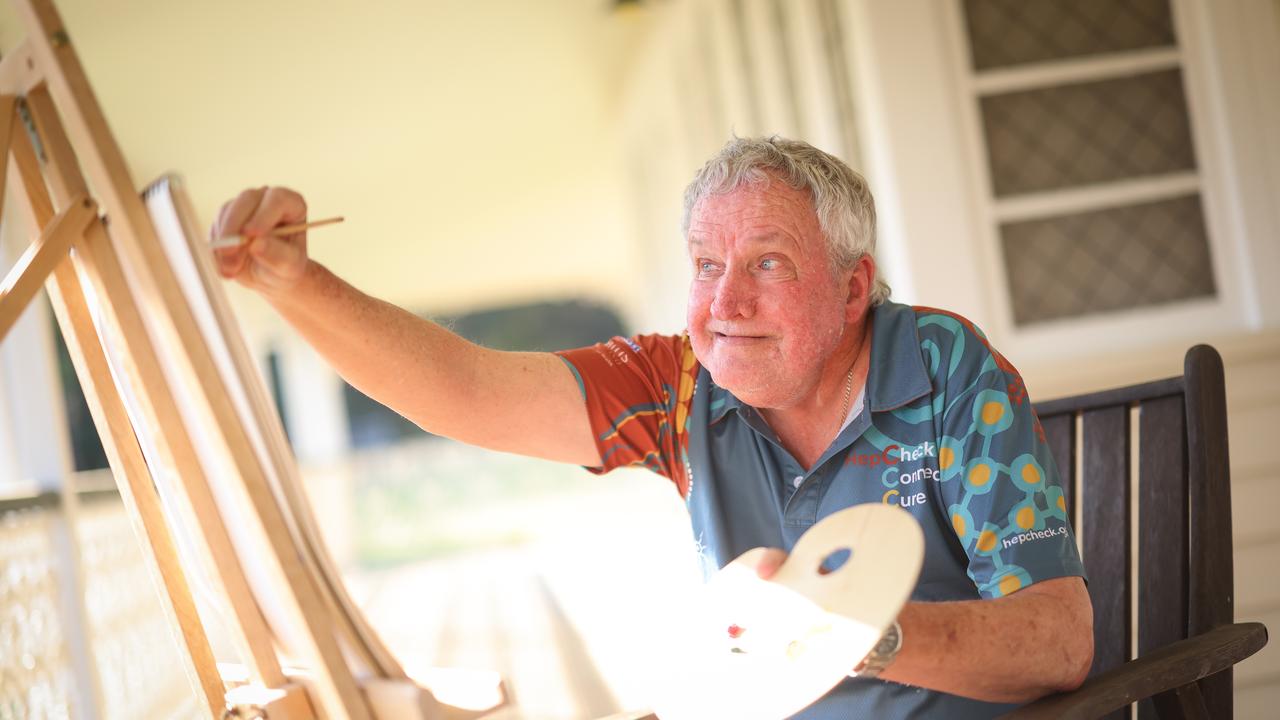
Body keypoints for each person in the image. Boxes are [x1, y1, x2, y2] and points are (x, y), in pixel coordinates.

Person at [213, 136, 1092, 718]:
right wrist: (295, 284)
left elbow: (1057, 640)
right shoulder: (680, 385)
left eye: (769, 264)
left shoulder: (940, 366)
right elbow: (471, 393)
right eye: (707, 265)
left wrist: (853, 631)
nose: (725, 303)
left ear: (854, 288)